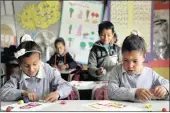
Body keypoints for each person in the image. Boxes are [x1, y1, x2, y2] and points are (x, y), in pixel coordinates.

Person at [0, 36, 72, 102]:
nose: (31, 69)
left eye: (35, 64)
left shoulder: (47, 70)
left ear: (40, 59)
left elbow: (66, 85)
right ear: (19, 64)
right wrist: (23, 93)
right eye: (26, 65)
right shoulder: (17, 74)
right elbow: (2, 93)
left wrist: (57, 93)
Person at [107, 30, 169, 102]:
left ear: (144, 57)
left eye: (135, 61)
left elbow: (167, 83)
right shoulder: (117, 70)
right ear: (122, 56)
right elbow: (111, 92)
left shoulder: (150, 73)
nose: (130, 66)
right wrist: (135, 92)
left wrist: (165, 89)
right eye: (125, 60)